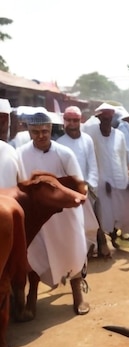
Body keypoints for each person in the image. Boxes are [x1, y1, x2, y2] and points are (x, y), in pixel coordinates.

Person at [16, 112, 90, 315]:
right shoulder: (20, 154)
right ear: (29, 132)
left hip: (64, 215)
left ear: (51, 130)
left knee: (72, 250)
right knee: (35, 254)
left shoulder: (64, 153)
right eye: (36, 132)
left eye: (45, 131)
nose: (41, 136)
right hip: (38, 216)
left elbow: (78, 185)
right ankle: (31, 298)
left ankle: (78, 295)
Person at [84, 103, 129, 249]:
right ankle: (105, 241)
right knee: (104, 212)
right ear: (99, 118)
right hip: (100, 181)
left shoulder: (119, 135)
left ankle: (117, 236)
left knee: (123, 209)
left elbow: (123, 157)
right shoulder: (91, 133)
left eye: (109, 118)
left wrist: (125, 177)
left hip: (119, 180)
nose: (107, 121)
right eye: (104, 118)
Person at [57, 106, 101, 256]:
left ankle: (90, 251)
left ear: (80, 121)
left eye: (75, 120)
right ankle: (73, 254)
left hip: (86, 190)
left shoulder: (87, 140)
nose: (72, 124)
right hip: (68, 192)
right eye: (68, 120)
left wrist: (90, 184)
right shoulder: (59, 143)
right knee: (71, 224)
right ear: (64, 122)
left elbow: (93, 165)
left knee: (89, 224)